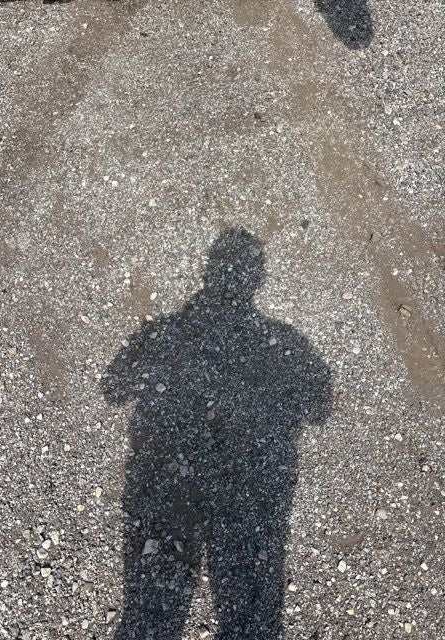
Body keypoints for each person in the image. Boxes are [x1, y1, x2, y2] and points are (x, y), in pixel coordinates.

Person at [103, 227, 332, 639]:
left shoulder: (166, 332)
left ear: (208, 272)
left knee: (153, 607)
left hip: (167, 486)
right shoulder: (286, 342)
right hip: (252, 492)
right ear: (258, 280)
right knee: (248, 601)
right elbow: (320, 407)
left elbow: (113, 388)